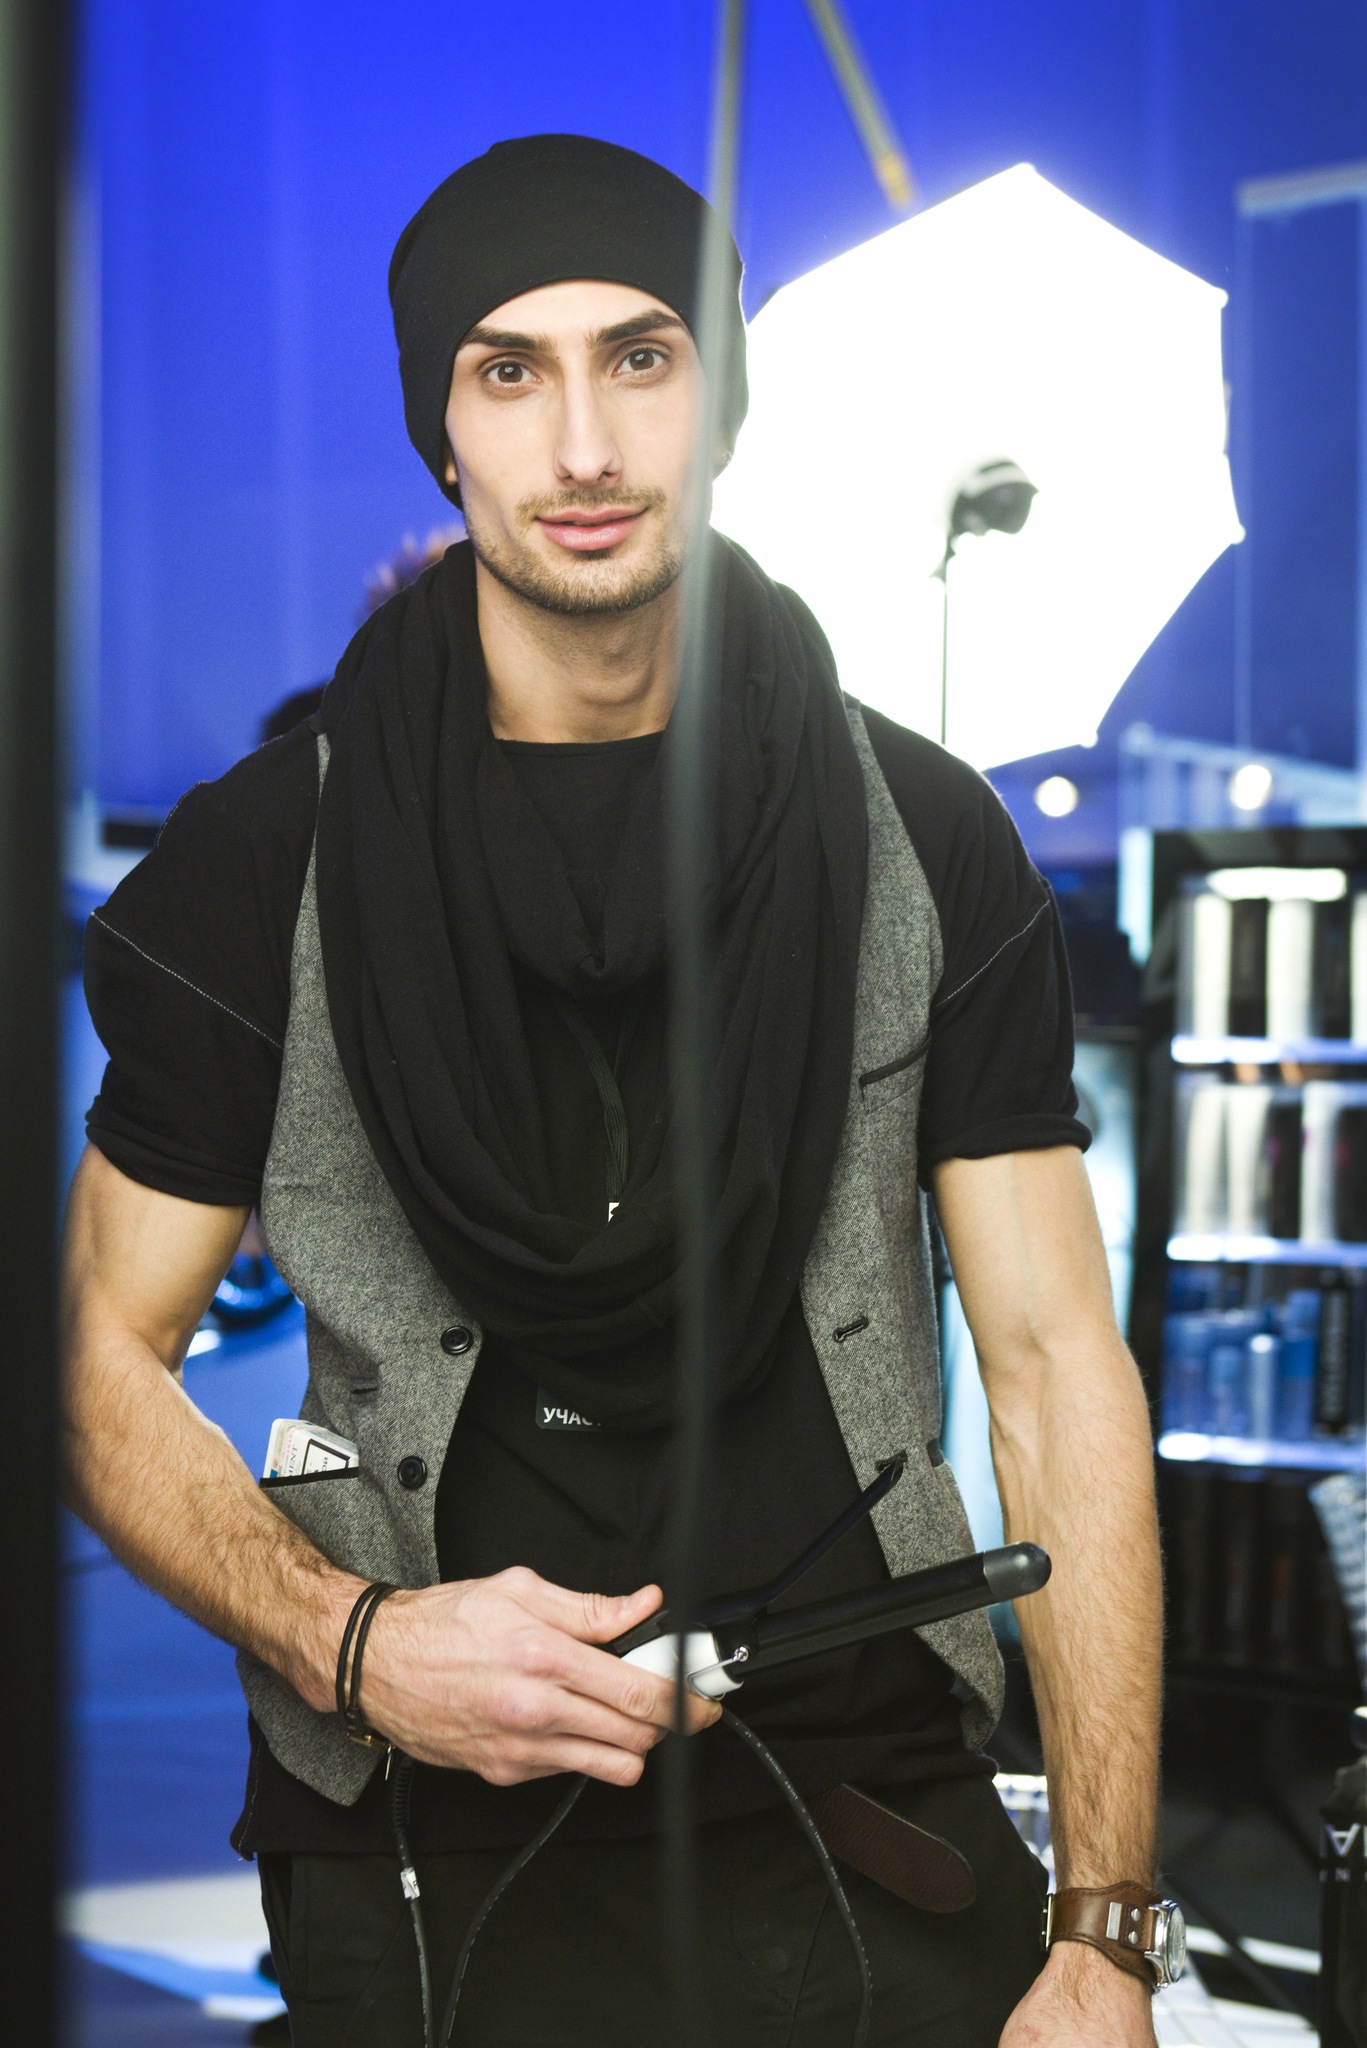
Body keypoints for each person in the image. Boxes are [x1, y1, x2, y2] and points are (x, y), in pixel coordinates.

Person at [61, 135, 1163, 2047]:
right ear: (441, 427)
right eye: (510, 370)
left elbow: (1058, 1364)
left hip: (867, 1819)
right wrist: (356, 1642)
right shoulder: (262, 862)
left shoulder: (922, 836)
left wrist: (1108, 1922)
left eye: (642, 357)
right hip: (421, 1846)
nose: (583, 443)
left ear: (719, 396)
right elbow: (92, 1349)